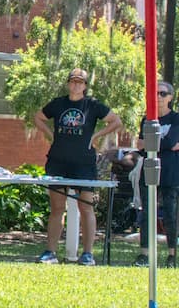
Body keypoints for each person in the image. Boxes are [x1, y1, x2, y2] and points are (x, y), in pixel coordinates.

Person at [33, 67, 123, 265]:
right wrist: (50, 134)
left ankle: (88, 254)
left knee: (86, 207)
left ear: (85, 86)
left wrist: (96, 136)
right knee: (57, 208)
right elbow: (38, 117)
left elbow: (116, 121)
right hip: (58, 162)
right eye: (73, 81)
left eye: (80, 82)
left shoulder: (93, 105)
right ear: (68, 83)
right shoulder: (58, 103)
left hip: (84, 164)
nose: (76, 85)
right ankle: (50, 252)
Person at [135, 80, 179, 268]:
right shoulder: (147, 119)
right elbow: (140, 146)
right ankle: (144, 254)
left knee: (170, 214)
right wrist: (164, 144)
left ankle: (171, 255)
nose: (158, 97)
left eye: (163, 93)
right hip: (148, 171)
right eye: (155, 93)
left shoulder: (176, 119)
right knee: (146, 213)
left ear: (170, 97)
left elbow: (172, 142)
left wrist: (152, 144)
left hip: (170, 172)